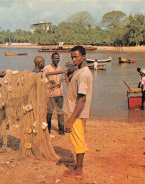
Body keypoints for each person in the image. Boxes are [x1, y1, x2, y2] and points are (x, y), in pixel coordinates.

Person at [63, 46, 93, 178]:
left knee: (79, 141)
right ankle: (77, 166)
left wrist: (70, 120)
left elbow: (81, 99)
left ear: (84, 57)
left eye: (76, 57)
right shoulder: (79, 72)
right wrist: (68, 78)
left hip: (76, 114)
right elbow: (73, 91)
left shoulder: (84, 74)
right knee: (76, 140)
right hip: (73, 111)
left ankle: (79, 171)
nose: (74, 59)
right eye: (72, 57)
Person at [43, 53, 65, 134]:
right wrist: (50, 83)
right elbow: (44, 80)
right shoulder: (47, 68)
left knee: (60, 112)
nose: (57, 60)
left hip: (59, 93)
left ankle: (61, 130)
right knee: (49, 113)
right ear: (52, 58)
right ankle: (48, 130)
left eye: (58, 58)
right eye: (55, 58)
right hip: (50, 94)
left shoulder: (60, 68)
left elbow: (59, 79)